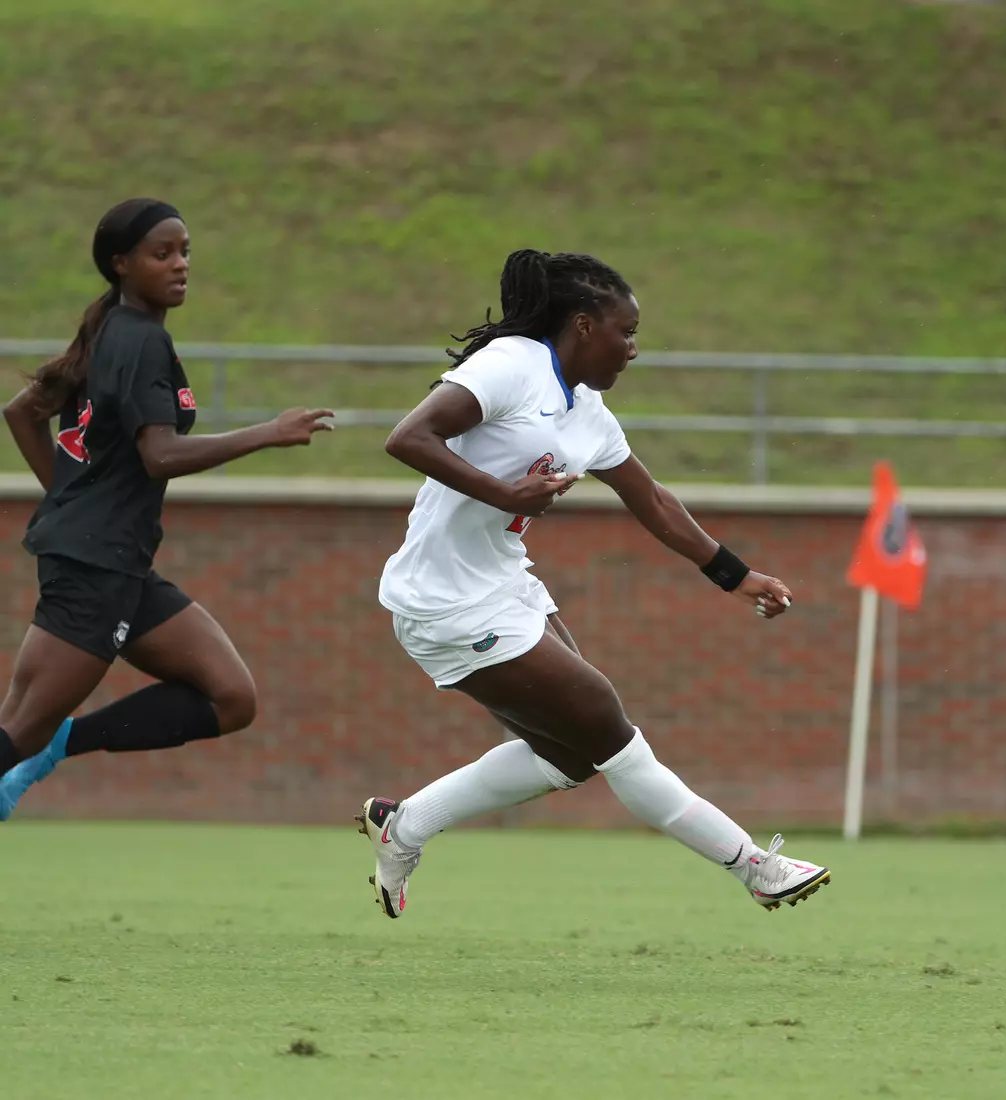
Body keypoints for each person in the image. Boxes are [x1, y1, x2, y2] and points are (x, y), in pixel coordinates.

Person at [358, 248, 830, 917]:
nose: (633, 349)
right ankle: (754, 866)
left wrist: (733, 574)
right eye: (625, 332)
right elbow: (407, 438)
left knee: (570, 759)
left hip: (504, 585)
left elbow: (654, 501)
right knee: (611, 731)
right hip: (444, 603)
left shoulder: (588, 410)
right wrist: (503, 491)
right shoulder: (510, 366)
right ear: (583, 325)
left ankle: (404, 824)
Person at [0, 197, 334, 820]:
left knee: (231, 697)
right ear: (121, 264)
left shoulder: (109, 329)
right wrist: (268, 431)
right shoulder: (136, 339)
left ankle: (60, 747)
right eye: (163, 254)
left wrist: (71, 500)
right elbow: (160, 454)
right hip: (93, 568)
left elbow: (22, 412)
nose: (180, 264)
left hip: (119, 562)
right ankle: (38, 749)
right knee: (15, 732)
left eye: (184, 252)